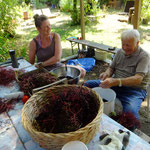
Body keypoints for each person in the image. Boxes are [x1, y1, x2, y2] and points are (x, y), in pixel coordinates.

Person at [85, 29, 150, 120]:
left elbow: (138, 79)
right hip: (115, 84)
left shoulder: (144, 56)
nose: (124, 47)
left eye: (128, 45)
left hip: (134, 91)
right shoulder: (120, 52)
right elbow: (111, 68)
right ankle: (89, 111)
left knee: (130, 117)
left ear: (137, 43)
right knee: (87, 85)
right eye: (123, 44)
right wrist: (107, 73)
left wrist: (116, 81)